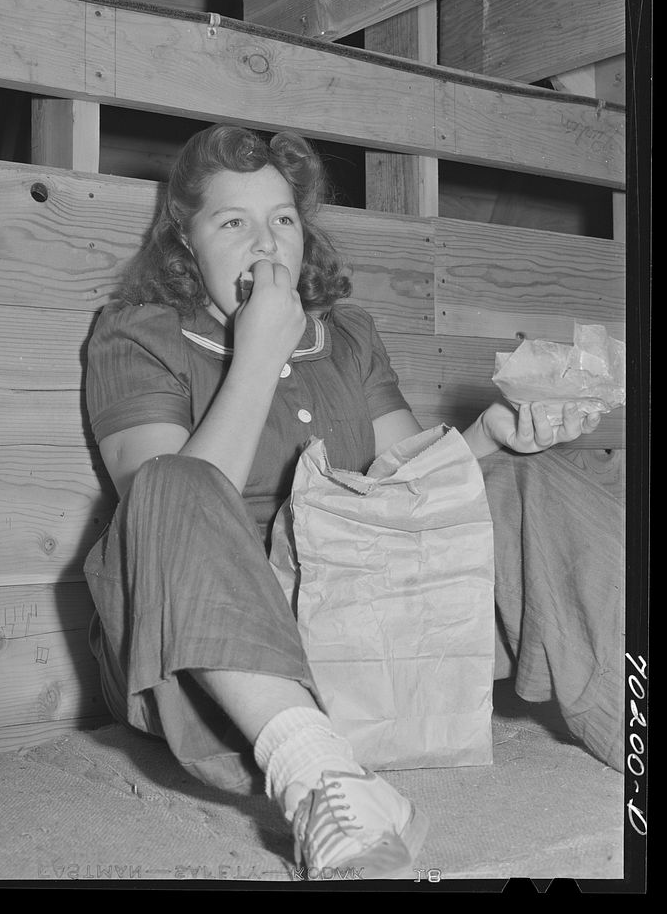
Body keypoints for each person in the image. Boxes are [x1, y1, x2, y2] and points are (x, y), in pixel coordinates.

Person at [83, 124, 625, 879]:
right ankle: (320, 781)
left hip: (353, 610)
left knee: (525, 480)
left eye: (282, 219)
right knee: (169, 482)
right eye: (232, 222)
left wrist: (491, 436)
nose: (265, 243)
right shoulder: (135, 334)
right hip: (205, 656)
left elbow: (405, 483)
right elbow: (165, 507)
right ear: (185, 241)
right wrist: (259, 352)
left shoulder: (345, 334)